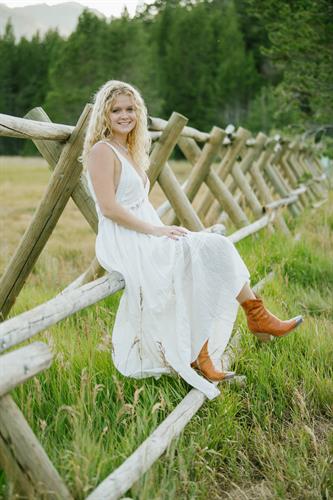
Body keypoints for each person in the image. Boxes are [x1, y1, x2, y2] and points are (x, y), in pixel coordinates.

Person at [82, 80, 303, 400]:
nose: (124, 115)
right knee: (207, 249)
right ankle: (247, 324)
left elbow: (138, 205)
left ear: (139, 112)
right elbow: (109, 208)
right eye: (116, 110)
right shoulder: (103, 150)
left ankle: (241, 327)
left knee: (209, 249)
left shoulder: (129, 149)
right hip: (126, 240)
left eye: (130, 109)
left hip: (144, 232)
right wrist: (158, 232)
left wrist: (162, 231)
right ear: (104, 114)